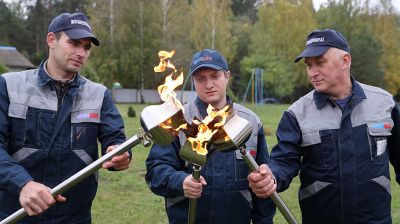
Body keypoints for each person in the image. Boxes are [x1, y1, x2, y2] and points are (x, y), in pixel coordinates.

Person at [247, 29, 400, 224]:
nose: (313, 72)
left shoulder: (385, 103)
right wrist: (272, 177)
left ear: (345, 61)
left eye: (320, 63)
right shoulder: (296, 114)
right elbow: (284, 161)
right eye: (309, 65)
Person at [0, 12, 131, 223]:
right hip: (18, 212)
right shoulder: (8, 85)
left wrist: (121, 154)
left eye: (86, 47)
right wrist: (22, 183)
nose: (81, 53)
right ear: (52, 40)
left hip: (75, 217)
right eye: (74, 43)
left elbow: (115, 139)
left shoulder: (99, 94)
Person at [145, 49, 276, 223]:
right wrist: (181, 182)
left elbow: (262, 183)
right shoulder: (177, 121)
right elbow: (155, 172)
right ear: (193, 81)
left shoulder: (250, 121)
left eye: (215, 76)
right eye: (201, 78)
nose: (209, 84)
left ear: (227, 76)